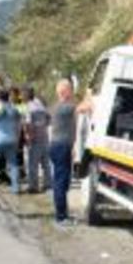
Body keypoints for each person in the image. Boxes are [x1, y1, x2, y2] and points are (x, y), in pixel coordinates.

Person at [49, 79, 85, 227]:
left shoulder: (59, 106)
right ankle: (61, 217)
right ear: (64, 91)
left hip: (60, 147)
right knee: (61, 183)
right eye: (71, 89)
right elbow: (84, 106)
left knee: (63, 183)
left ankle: (63, 214)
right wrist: (89, 94)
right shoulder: (65, 107)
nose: (73, 92)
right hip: (61, 147)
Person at [24, 87, 52, 193]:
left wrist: (29, 137)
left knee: (33, 164)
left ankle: (33, 186)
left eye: (24, 93)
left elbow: (28, 123)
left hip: (35, 139)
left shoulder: (29, 107)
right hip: (44, 137)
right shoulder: (40, 105)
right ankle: (48, 184)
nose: (22, 96)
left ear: (27, 94)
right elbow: (49, 118)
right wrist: (43, 126)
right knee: (46, 163)